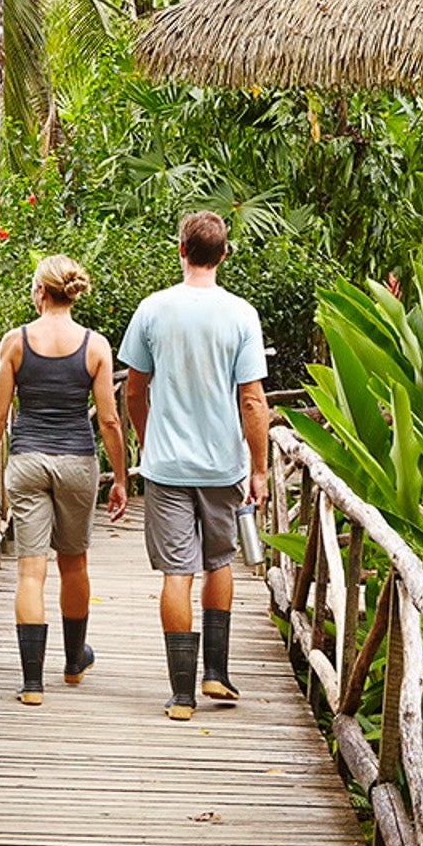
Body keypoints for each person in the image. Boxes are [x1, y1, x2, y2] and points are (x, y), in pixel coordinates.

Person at [119, 211, 269, 721]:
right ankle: (217, 673)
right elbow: (252, 400)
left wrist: (147, 440)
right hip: (222, 465)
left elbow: (133, 389)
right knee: (218, 563)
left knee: (176, 573)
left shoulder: (153, 310)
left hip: (166, 466)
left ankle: (182, 694)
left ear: (180, 250)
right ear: (223, 254)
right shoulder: (241, 315)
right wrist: (260, 468)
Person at [0, 255, 130, 705]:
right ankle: (72, 661)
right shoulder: (95, 345)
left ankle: (31, 682)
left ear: (40, 293)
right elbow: (109, 421)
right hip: (77, 463)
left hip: (27, 460)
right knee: (74, 563)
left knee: (30, 568)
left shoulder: (16, 342)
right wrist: (119, 477)